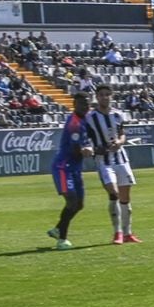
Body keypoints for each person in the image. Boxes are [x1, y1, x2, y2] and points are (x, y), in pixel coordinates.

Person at [85, 85, 140, 243]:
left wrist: (120, 142)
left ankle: (128, 233)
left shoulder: (118, 114)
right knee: (113, 193)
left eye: (107, 95)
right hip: (104, 161)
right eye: (101, 95)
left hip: (121, 159)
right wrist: (94, 149)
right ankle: (117, 233)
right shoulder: (91, 117)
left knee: (125, 197)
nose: (104, 97)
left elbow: (122, 134)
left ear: (111, 96)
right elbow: (86, 139)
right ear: (97, 97)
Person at [46, 92, 92, 249]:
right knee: (72, 201)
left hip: (75, 168)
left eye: (86, 103)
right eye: (81, 104)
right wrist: (88, 150)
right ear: (74, 105)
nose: (85, 106)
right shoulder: (74, 123)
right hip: (63, 168)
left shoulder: (85, 119)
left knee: (79, 204)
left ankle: (58, 229)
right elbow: (75, 149)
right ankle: (62, 239)